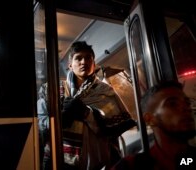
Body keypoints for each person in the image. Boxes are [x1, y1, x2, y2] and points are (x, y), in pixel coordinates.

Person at [38, 41, 136, 170]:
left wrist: (87, 113)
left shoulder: (105, 91)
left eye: (88, 58)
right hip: (60, 161)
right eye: (78, 58)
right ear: (70, 66)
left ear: (94, 64)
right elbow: (39, 121)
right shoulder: (51, 90)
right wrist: (58, 121)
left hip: (97, 162)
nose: (84, 62)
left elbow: (112, 130)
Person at [111, 81, 196, 170]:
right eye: (172, 104)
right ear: (149, 119)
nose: (187, 108)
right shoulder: (130, 166)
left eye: (187, 103)